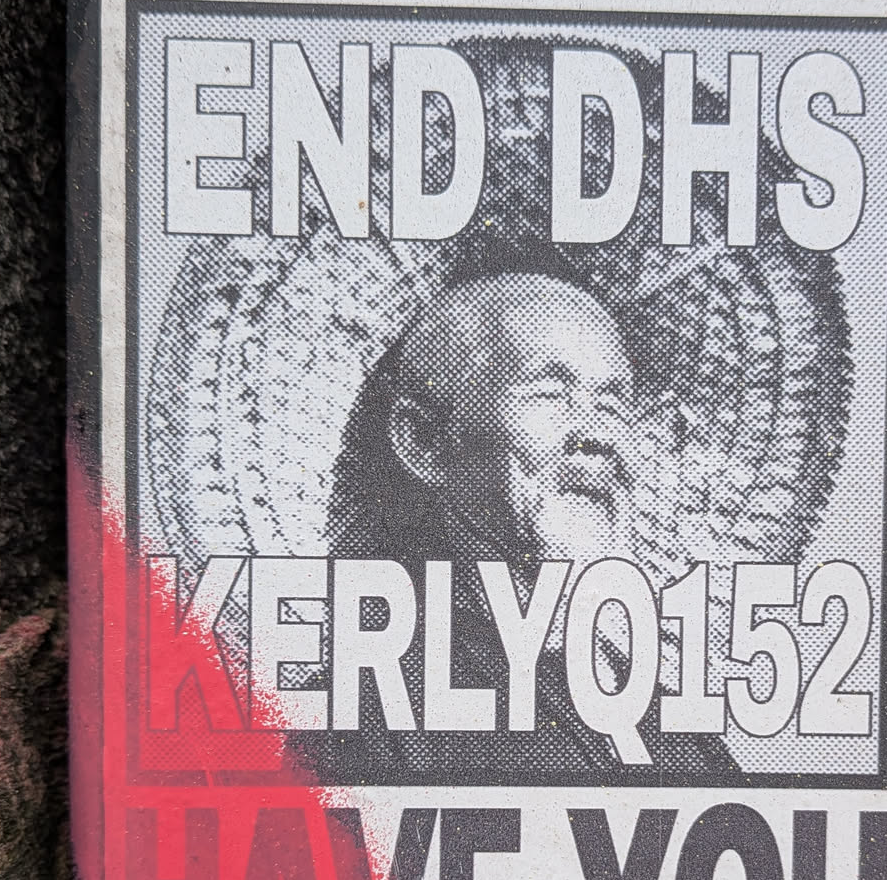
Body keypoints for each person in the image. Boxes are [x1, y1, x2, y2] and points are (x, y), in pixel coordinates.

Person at [312, 268, 736, 782]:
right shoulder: (366, 719)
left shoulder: (681, 736)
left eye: (611, 404)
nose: (596, 436)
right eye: (550, 394)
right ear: (424, 442)